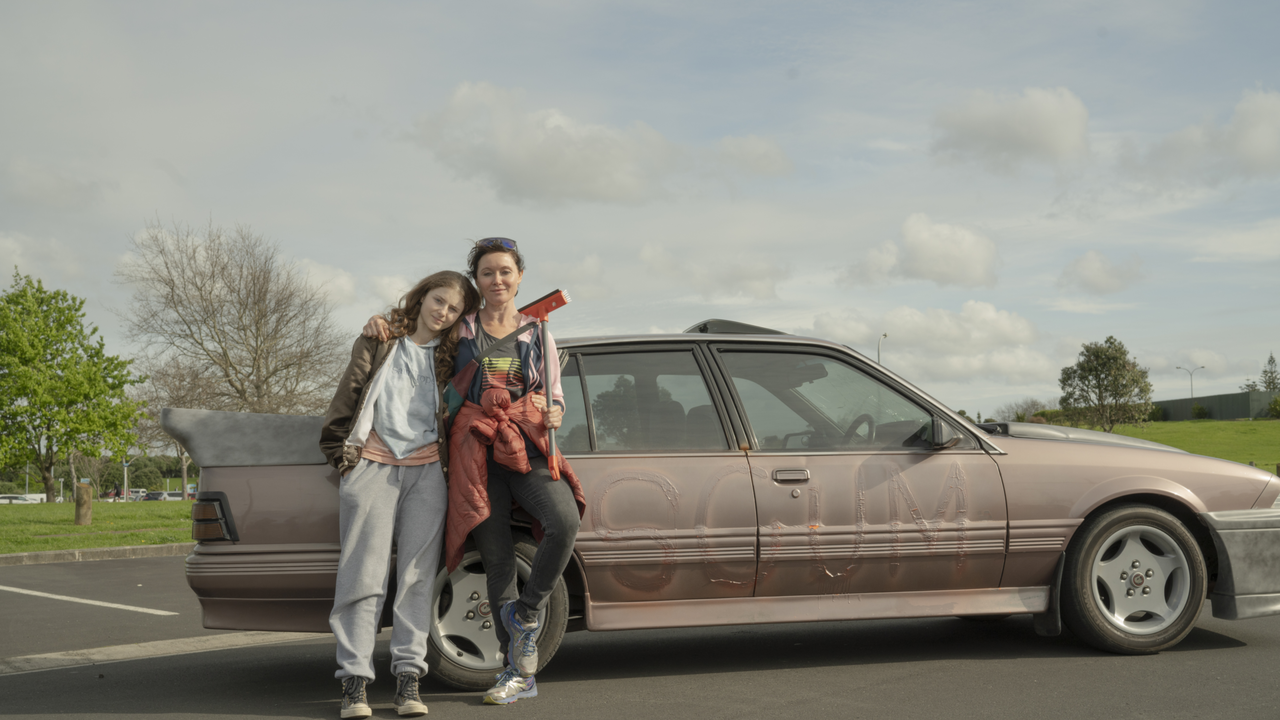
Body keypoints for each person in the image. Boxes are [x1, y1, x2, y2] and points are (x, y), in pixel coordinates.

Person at [364, 238, 584, 706]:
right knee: (498, 561)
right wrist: (383, 323)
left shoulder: (537, 331)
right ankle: (518, 673)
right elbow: (420, 327)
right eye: (487, 273)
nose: (497, 280)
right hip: (472, 454)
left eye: (505, 271)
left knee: (563, 520)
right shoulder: (459, 329)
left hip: (525, 448)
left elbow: (554, 392)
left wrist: (555, 409)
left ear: (519, 276)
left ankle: (524, 614)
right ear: (477, 280)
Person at [320, 270, 479, 719]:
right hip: (372, 466)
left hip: (428, 471)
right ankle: (355, 684)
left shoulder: (454, 357)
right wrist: (343, 458)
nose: (442, 312)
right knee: (362, 578)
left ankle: (408, 679)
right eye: (438, 300)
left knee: (416, 578)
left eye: (452, 308)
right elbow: (347, 397)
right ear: (422, 295)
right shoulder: (379, 339)